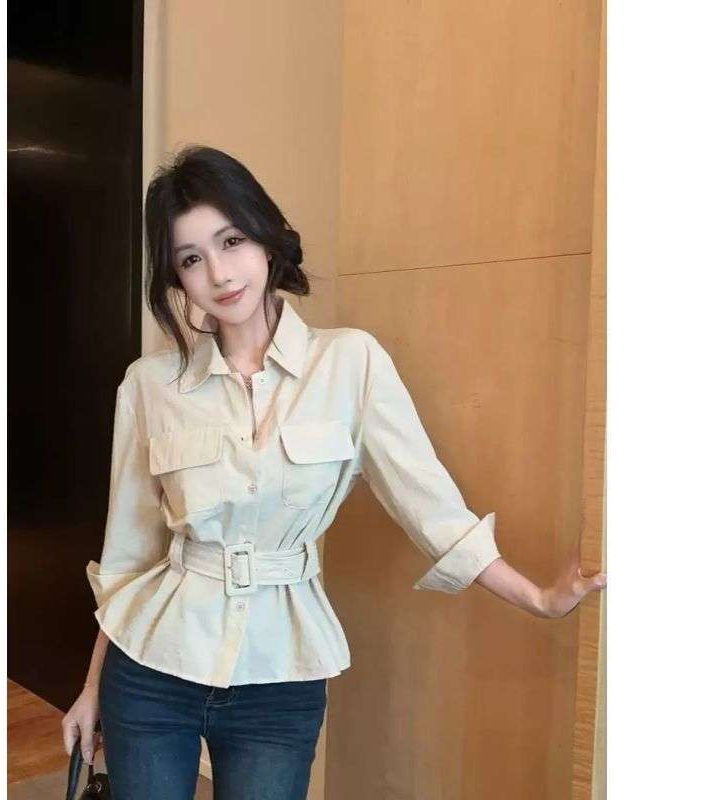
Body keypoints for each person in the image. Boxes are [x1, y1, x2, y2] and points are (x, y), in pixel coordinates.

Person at [61, 144, 607, 799]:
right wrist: (92, 688)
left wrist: (540, 599)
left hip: (280, 677)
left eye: (231, 241)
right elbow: (129, 559)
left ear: (266, 236)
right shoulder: (151, 385)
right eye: (191, 258)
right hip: (152, 670)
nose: (220, 273)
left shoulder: (351, 364)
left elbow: (431, 507)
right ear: (176, 280)